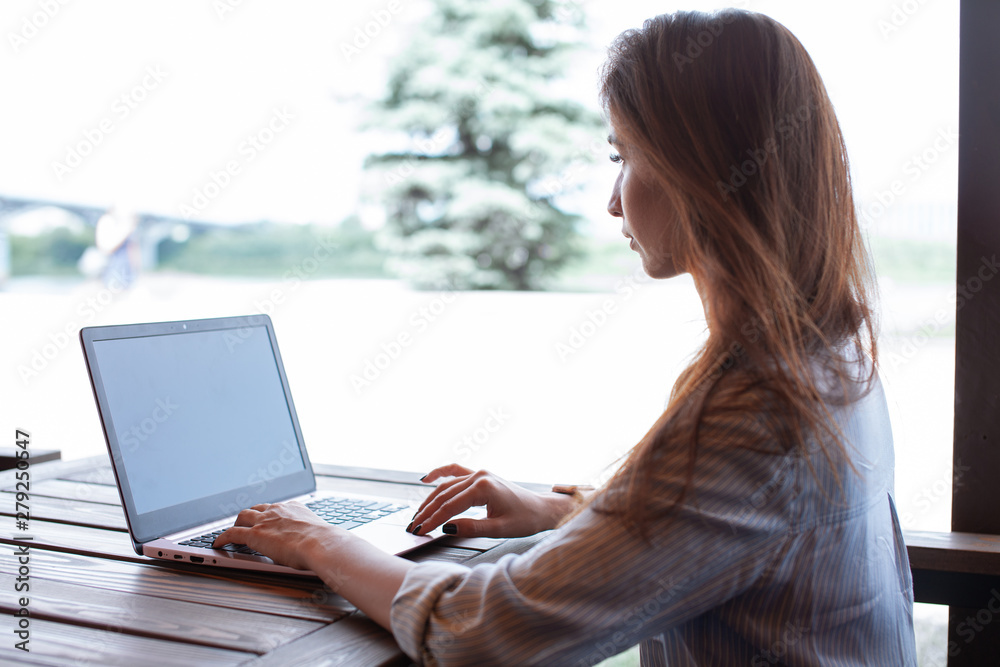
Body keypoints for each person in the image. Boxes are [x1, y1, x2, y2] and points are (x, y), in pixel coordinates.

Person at [215, 9, 918, 665]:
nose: (612, 200)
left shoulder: (760, 410)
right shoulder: (830, 351)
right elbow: (733, 526)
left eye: (623, 156)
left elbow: (484, 634)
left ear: (699, 175)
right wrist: (561, 510)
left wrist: (318, 541)